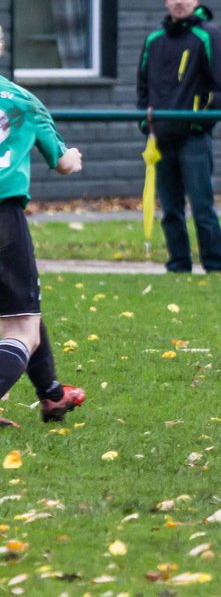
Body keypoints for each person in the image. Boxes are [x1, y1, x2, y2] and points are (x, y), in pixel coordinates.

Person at [0, 23, 86, 426]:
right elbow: (64, 164)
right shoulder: (22, 102)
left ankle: (51, 395)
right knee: (23, 328)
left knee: (20, 309)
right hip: (3, 218)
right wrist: (74, 154)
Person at [136, 0, 221, 274]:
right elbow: (142, 87)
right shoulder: (154, 41)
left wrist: (199, 124)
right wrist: (145, 122)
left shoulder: (208, 37)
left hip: (194, 139)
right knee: (170, 210)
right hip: (161, 137)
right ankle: (178, 265)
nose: (178, 1)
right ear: (166, 1)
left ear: (195, 0)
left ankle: (216, 267)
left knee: (202, 207)